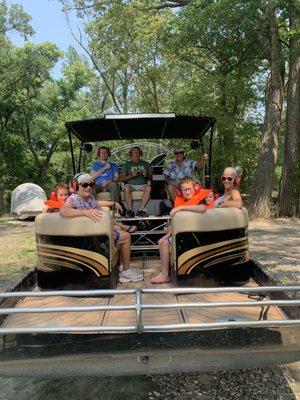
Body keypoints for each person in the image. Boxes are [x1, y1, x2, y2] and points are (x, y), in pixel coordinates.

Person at [60, 173, 143, 283]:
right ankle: (126, 271)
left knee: (118, 231)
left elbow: (99, 207)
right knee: (126, 237)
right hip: (89, 237)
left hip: (97, 232)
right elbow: (64, 211)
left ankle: (122, 267)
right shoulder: (74, 199)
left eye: (91, 185)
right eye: (85, 185)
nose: (89, 187)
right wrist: (85, 212)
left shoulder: (90, 198)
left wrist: (113, 203)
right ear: (76, 186)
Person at [151, 176, 208, 284]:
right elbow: (179, 223)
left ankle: (164, 275)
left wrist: (180, 208)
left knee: (164, 244)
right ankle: (165, 271)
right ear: (180, 192)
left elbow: (202, 209)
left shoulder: (200, 199)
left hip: (194, 235)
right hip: (182, 233)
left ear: (195, 188)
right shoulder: (180, 200)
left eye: (189, 189)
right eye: (184, 190)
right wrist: (170, 231)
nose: (187, 191)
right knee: (161, 241)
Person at [120, 146, 152, 218]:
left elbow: (151, 178)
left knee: (148, 188)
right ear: (131, 154)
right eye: (134, 152)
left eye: (137, 152)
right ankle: (130, 211)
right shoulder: (127, 165)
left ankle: (140, 210)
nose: (136, 154)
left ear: (140, 153)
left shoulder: (146, 164)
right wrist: (131, 175)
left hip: (142, 185)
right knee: (127, 188)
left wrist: (146, 174)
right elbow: (121, 179)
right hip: (130, 185)